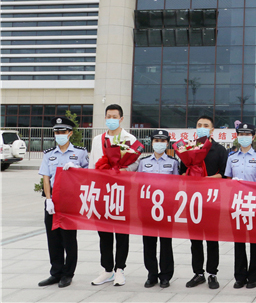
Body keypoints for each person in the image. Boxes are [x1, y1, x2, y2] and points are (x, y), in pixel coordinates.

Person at [89, 104, 138, 287]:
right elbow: (92, 165)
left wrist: (123, 170)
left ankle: (120, 270)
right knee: (104, 233)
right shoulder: (97, 140)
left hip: (121, 192)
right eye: (108, 116)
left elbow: (135, 164)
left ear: (121, 119)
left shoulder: (129, 139)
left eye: (114, 116)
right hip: (101, 192)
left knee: (122, 233)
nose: (111, 119)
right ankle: (107, 269)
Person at [37, 116, 89, 288]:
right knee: (53, 238)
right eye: (57, 132)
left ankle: (68, 273)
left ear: (70, 133)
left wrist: (77, 169)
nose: (59, 134)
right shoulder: (49, 154)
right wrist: (48, 199)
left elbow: (88, 175)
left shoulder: (80, 152)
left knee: (68, 238)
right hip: (53, 200)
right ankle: (56, 272)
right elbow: (46, 178)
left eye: (62, 131)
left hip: (70, 199)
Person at [181, 115, 228, 289]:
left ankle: (212, 274)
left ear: (212, 129)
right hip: (192, 199)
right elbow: (182, 172)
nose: (202, 127)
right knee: (195, 239)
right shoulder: (188, 148)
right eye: (199, 125)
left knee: (212, 239)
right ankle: (198, 273)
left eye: (206, 125)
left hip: (212, 200)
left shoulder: (220, 150)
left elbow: (224, 174)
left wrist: (206, 180)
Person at [225, 122, 256, 289]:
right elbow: (227, 180)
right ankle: (240, 276)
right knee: (239, 241)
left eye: (247, 134)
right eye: (241, 134)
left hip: (253, 203)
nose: (244, 137)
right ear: (237, 136)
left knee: (255, 241)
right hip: (236, 203)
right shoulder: (231, 158)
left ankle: (253, 277)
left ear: (253, 137)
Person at [137, 129, 178, 289]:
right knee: (149, 242)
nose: (159, 143)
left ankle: (166, 275)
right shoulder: (143, 162)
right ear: (152, 142)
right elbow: (138, 185)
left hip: (166, 208)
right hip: (147, 207)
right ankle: (152, 274)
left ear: (167, 143)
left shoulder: (173, 162)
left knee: (166, 243)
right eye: (156, 141)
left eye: (162, 141)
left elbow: (176, 185)